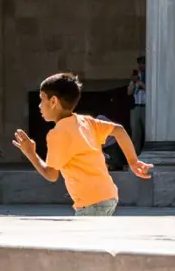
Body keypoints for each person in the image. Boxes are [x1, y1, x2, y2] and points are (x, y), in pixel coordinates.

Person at [13, 71, 152, 216]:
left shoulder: (58, 134)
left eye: (42, 100)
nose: (39, 106)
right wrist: (133, 161)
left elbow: (51, 174)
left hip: (90, 203)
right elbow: (118, 130)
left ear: (54, 101)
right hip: (108, 195)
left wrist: (30, 152)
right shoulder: (85, 121)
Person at [127, 54, 146, 154]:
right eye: (139, 64)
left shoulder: (150, 75)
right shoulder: (136, 76)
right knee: (135, 134)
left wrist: (139, 82)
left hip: (146, 107)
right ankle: (136, 155)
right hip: (136, 106)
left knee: (147, 133)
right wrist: (133, 82)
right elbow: (129, 92)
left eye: (142, 64)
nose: (140, 66)